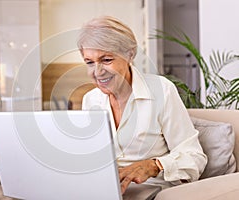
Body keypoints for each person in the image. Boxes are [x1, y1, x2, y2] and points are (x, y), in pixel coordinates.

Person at [77, 16, 207, 195]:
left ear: (129, 55)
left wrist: (155, 165)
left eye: (106, 60)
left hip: (154, 192)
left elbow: (195, 157)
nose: (97, 72)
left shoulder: (162, 90)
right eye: (90, 62)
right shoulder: (90, 100)